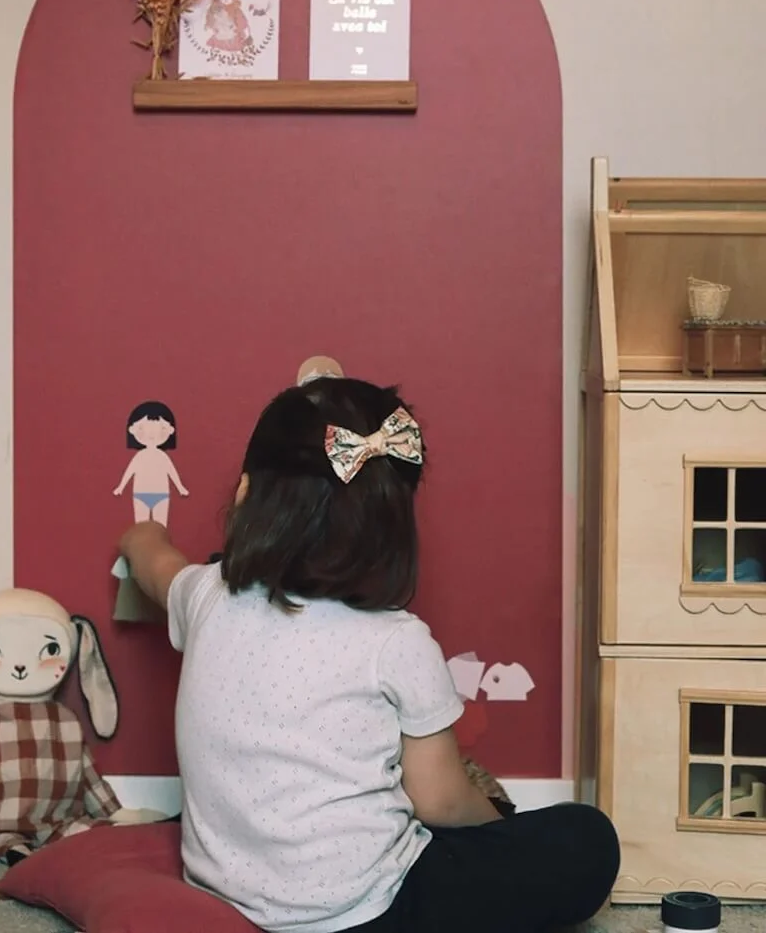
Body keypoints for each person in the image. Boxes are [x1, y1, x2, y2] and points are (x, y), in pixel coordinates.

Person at [118, 375, 619, 933]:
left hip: (230, 894)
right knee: (587, 837)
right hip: (367, 911)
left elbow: (154, 562)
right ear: (389, 525)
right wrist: (502, 825)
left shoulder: (206, 596)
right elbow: (441, 802)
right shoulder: (397, 640)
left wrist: (140, 538)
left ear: (244, 494)